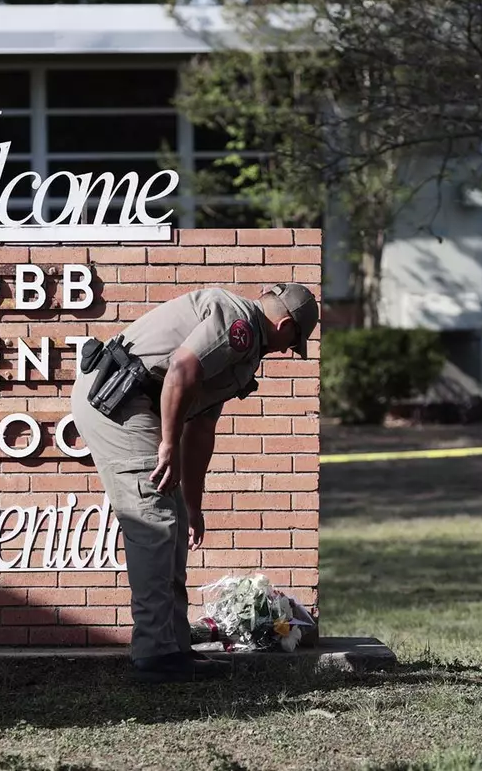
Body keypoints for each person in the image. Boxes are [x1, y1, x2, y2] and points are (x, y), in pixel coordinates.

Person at [70, 282, 319, 683]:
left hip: (139, 403)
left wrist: (193, 504)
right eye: (293, 343)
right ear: (285, 325)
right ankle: (155, 655)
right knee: (154, 521)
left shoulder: (244, 351)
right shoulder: (237, 321)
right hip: (117, 402)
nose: (288, 351)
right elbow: (182, 370)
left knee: (173, 521)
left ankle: (173, 646)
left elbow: (201, 428)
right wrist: (168, 443)